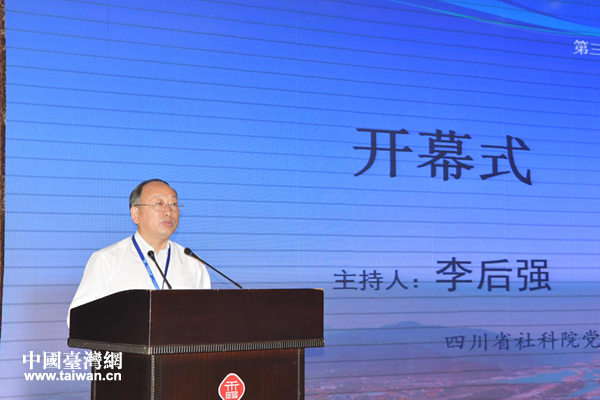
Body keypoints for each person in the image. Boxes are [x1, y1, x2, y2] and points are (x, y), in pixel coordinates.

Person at [67, 179, 211, 326]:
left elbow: (208, 319)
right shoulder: (106, 260)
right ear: (135, 214)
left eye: (173, 204)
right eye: (158, 204)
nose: (169, 211)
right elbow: (77, 320)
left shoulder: (193, 263)